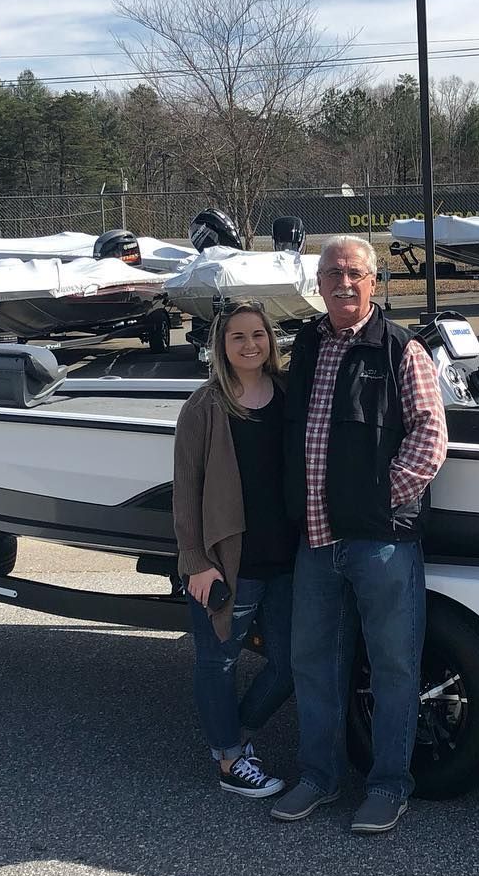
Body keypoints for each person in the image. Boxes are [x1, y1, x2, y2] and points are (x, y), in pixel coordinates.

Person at [271, 234, 447, 834]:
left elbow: (430, 437)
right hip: (316, 540)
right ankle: (318, 778)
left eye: (354, 273)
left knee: (395, 666)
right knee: (313, 663)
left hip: (381, 543)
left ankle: (389, 785)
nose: (342, 283)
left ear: (374, 282)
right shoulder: (307, 343)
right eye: (331, 274)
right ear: (317, 285)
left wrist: (377, 500)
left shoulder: (401, 350)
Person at [173, 300, 298, 798]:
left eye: (258, 335)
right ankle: (228, 760)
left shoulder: (290, 394)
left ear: (270, 340)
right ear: (221, 347)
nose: (250, 345)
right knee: (217, 660)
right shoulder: (205, 406)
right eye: (238, 337)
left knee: (290, 663)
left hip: (287, 560)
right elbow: (186, 491)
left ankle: (233, 736)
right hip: (229, 562)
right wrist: (195, 563)